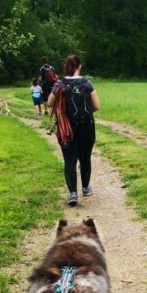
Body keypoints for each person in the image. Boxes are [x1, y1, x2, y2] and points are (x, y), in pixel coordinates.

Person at [47, 55, 100, 207]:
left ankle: (72, 194)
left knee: (69, 160)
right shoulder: (87, 83)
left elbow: (50, 103)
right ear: (79, 66)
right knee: (85, 158)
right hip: (86, 127)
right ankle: (85, 188)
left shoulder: (60, 83)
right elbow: (96, 106)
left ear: (66, 66)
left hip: (66, 128)